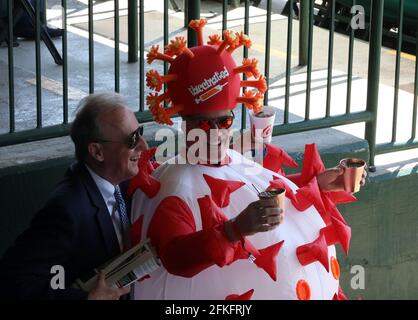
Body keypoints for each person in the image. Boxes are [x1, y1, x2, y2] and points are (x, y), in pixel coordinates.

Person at [128, 19, 366, 300]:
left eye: (225, 120)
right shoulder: (175, 187)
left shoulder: (240, 163)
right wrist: (233, 231)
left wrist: (319, 185)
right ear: (185, 123)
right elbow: (174, 257)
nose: (216, 132)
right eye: (204, 124)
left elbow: (251, 196)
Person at [0, 92, 148, 299]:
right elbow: (14, 281)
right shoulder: (66, 210)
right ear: (97, 152)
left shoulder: (122, 184)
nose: (144, 145)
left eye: (140, 131)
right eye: (132, 139)